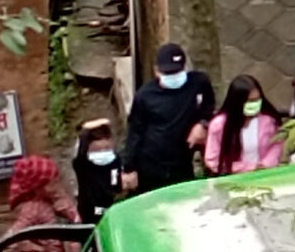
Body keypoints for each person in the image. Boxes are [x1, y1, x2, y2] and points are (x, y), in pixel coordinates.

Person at [124, 43, 214, 194]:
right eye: (168, 73)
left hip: (182, 162)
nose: (174, 77)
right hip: (151, 164)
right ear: (156, 71)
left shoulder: (199, 83)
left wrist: (202, 124)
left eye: (177, 72)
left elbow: (208, 106)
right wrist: (129, 167)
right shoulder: (145, 96)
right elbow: (135, 132)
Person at [203, 75, 282, 176]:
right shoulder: (219, 125)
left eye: (257, 100)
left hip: (266, 175)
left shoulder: (269, 121)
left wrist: (265, 165)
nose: (255, 104)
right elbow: (213, 160)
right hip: (233, 178)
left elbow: (276, 146)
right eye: (251, 101)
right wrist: (248, 168)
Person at [73, 118, 124, 223]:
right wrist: (86, 127)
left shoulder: (115, 161)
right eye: (97, 150)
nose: (103, 153)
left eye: (106, 148)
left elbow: (117, 186)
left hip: (111, 211)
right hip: (89, 212)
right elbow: (80, 151)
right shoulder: (83, 165)